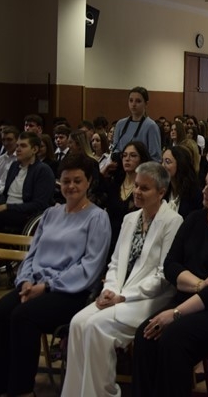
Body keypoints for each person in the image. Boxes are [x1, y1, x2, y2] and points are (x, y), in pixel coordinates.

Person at [131, 159, 208, 397]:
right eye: (205, 184)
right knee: (145, 334)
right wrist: (200, 283)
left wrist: (175, 313)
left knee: (173, 338)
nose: (205, 191)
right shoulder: (195, 219)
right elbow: (171, 266)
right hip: (189, 299)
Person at [62, 162, 183, 397]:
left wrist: (123, 296)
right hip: (118, 293)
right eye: (136, 186)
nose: (137, 191)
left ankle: (103, 393)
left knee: (96, 327)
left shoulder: (173, 221)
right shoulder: (130, 218)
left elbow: (163, 275)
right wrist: (109, 290)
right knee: (77, 323)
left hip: (150, 299)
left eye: (144, 188)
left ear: (161, 192)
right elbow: (115, 262)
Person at [0, 154, 111, 397]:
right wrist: (25, 281)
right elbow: (32, 255)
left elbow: (90, 267)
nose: (71, 186)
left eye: (77, 181)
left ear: (89, 182)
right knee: (1, 311)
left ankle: (21, 390)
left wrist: (47, 286)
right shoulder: (50, 214)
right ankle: (1, 385)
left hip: (70, 291)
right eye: (66, 181)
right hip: (34, 284)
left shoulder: (97, 217)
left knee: (22, 317)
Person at [0, 131, 56, 232]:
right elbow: (5, 194)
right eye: (17, 146)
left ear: (34, 149)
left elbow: (39, 204)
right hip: (7, 209)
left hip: (25, 214)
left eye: (23, 146)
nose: (18, 149)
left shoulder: (43, 170)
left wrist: (6, 207)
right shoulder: (14, 166)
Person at [112, 87, 162, 162]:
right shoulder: (120, 124)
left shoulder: (151, 126)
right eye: (131, 100)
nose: (133, 104)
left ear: (146, 104)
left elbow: (156, 158)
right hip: (121, 166)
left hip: (142, 168)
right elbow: (115, 148)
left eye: (138, 101)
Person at [161, 146, 203, 220]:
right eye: (162, 161)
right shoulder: (162, 190)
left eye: (167, 162)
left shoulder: (195, 194)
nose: (162, 165)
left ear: (180, 164)